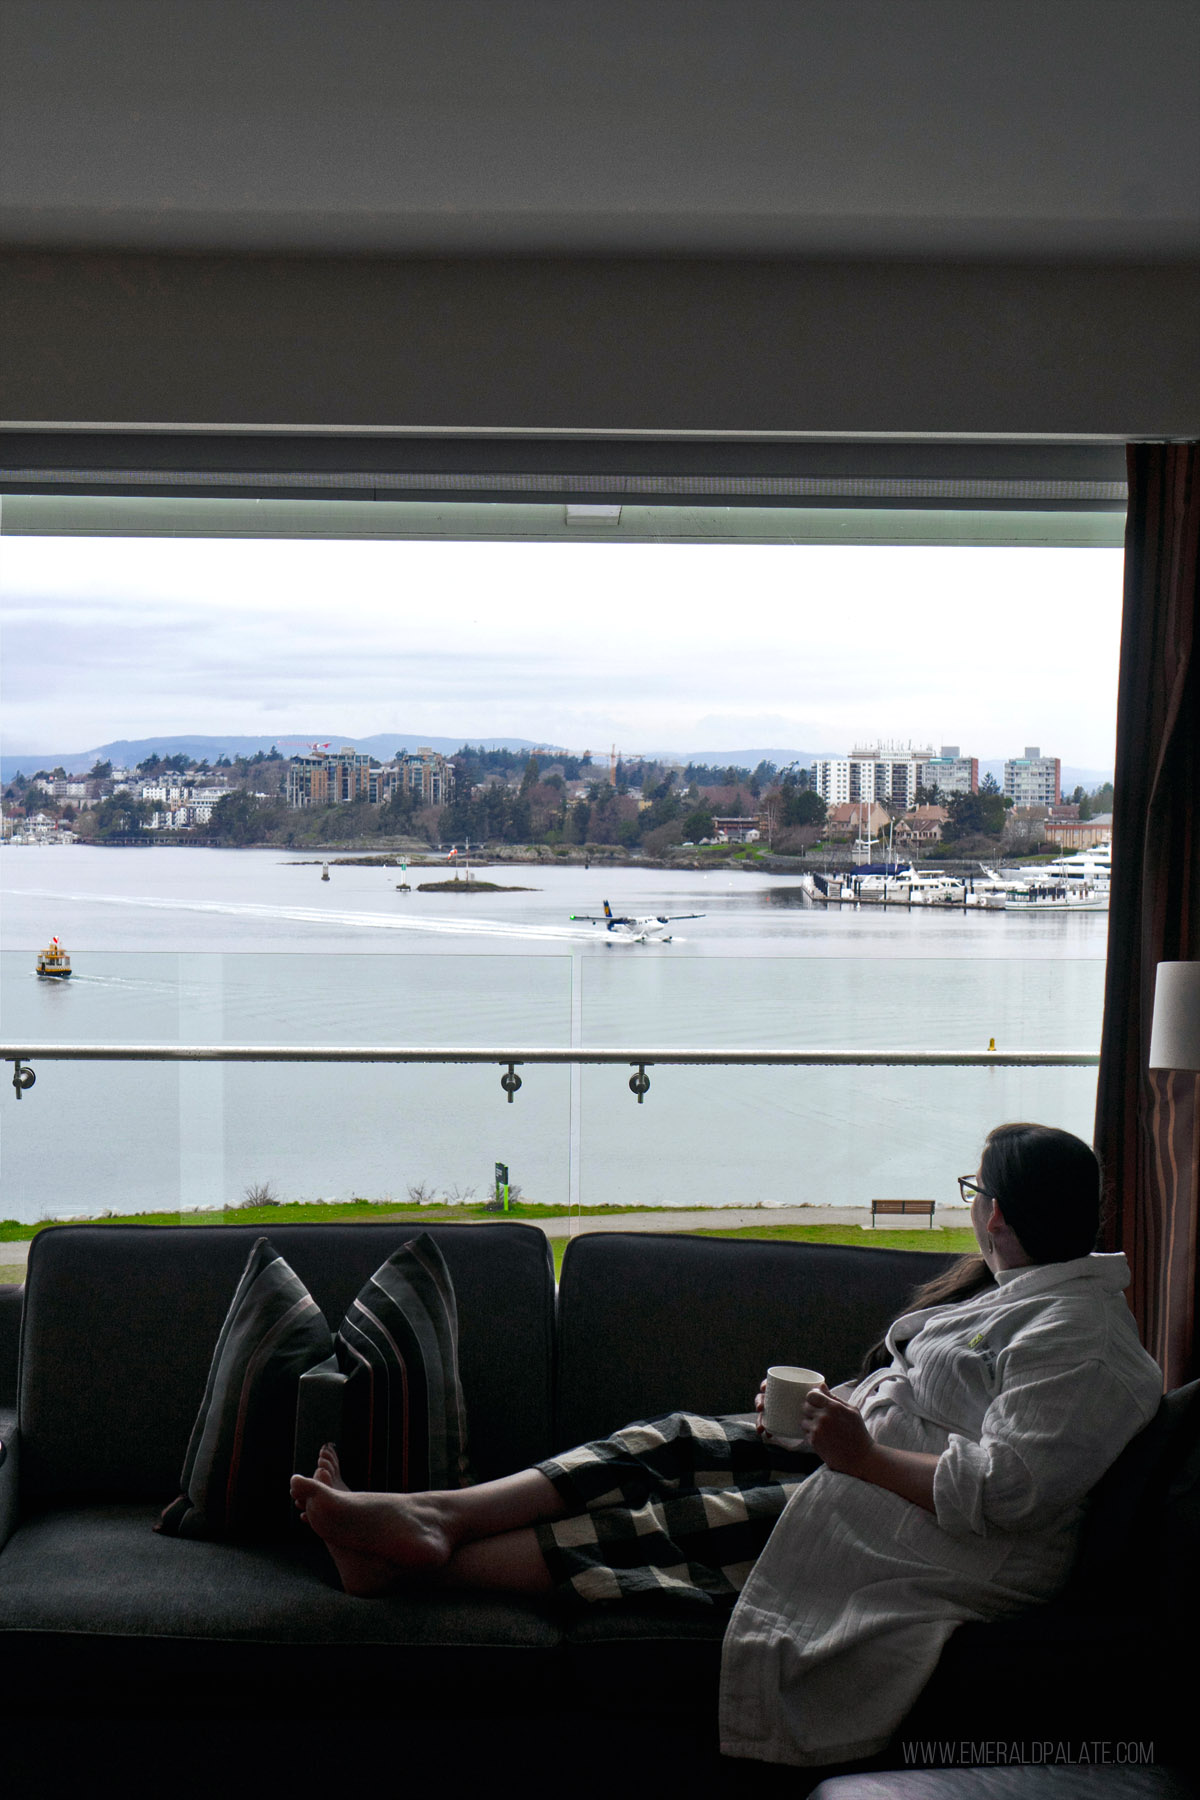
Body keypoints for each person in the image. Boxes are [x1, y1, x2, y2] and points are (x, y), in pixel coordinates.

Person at [290, 1123, 1163, 1767]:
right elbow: (947, 1408)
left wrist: (859, 1455)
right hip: (870, 1468)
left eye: (974, 1194)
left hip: (924, 1529)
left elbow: (1006, 1490)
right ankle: (435, 1515)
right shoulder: (1026, 1297)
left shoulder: (1077, 1338)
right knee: (666, 1441)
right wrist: (834, 1410)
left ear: (997, 1213)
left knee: (678, 1521)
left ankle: (408, 1563)